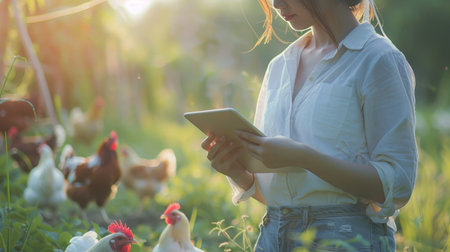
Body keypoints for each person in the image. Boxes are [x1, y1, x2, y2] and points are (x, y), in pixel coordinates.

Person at [201, 0, 417, 251]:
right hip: (273, 235)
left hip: (344, 238)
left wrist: (305, 158)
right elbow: (281, 195)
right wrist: (238, 172)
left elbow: (398, 184)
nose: (277, 4)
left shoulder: (379, 59)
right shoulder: (280, 66)